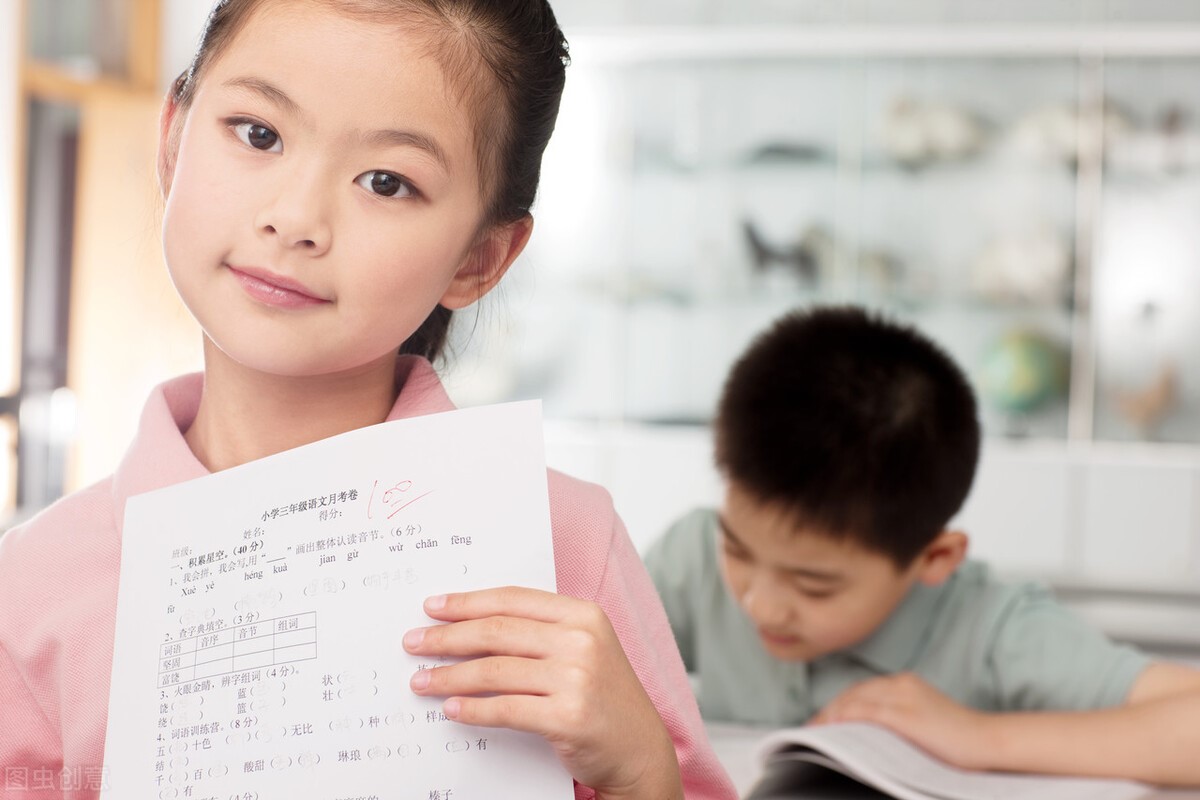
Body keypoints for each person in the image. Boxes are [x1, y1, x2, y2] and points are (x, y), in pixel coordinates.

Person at [0, 2, 736, 799]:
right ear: (174, 141)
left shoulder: (569, 547)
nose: (296, 219)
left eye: (387, 182)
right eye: (258, 134)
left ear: (480, 258)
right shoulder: (33, 589)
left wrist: (640, 771)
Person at [644, 305, 1200, 785]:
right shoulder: (693, 557)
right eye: (738, 552)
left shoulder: (995, 629)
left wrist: (981, 736)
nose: (760, 605)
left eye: (813, 586)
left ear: (935, 558)